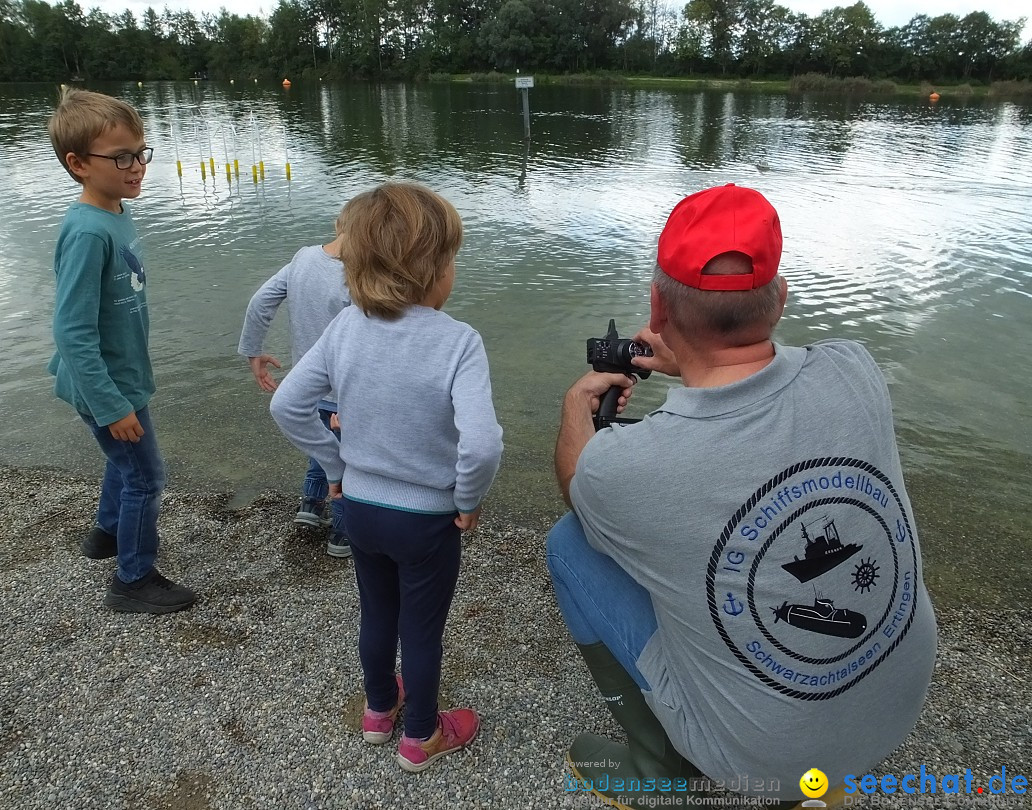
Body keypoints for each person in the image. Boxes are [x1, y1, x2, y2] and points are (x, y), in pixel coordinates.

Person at [547, 183, 937, 808]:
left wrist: (575, 410)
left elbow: (579, 482)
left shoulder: (630, 469)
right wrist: (700, 365)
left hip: (760, 759)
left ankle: (658, 771)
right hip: (895, 710)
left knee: (571, 543)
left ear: (657, 305)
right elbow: (764, 389)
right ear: (780, 299)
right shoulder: (855, 367)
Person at [270, 182, 503, 772]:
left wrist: (335, 467)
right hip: (426, 521)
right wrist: (468, 500)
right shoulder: (459, 342)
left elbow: (288, 406)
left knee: (376, 612)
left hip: (360, 510)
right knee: (421, 629)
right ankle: (421, 736)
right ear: (432, 272)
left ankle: (379, 711)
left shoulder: (345, 327)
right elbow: (480, 445)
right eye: (450, 259)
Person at [46, 87, 197, 613]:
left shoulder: (113, 211)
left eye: (141, 153)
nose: (137, 167)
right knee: (145, 475)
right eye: (122, 157)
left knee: (123, 461)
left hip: (121, 375)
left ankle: (106, 534)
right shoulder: (89, 231)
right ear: (79, 164)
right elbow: (71, 330)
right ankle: (132, 579)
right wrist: (112, 405)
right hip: (107, 385)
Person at [238, 209, 354, 558]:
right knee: (345, 459)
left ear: (337, 224)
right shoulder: (362, 275)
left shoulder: (303, 258)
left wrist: (253, 351)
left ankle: (310, 505)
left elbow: (261, 301)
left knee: (319, 447)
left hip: (306, 385)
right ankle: (342, 533)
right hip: (344, 391)